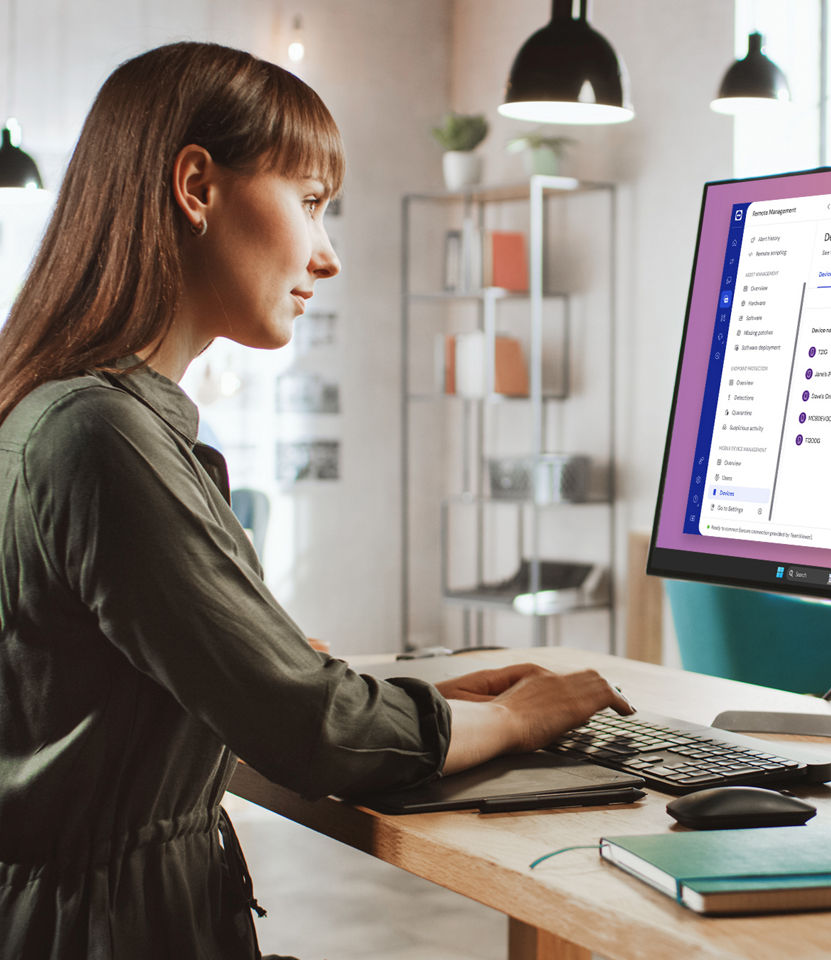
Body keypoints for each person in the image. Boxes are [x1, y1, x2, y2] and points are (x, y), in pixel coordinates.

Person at [0, 41, 631, 960]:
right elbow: (308, 730)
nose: (327, 256)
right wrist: (513, 718)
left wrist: (423, 704)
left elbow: (244, 689)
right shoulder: (100, 435)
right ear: (196, 186)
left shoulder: (59, 410)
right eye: (309, 202)